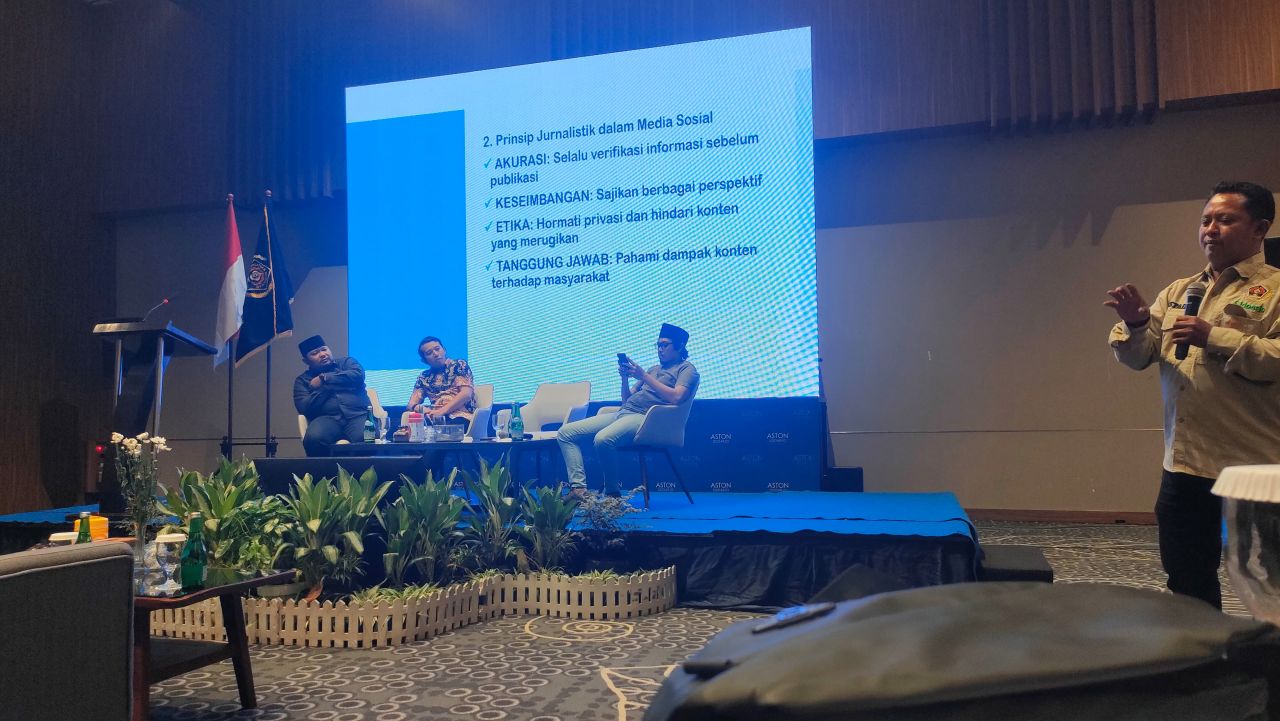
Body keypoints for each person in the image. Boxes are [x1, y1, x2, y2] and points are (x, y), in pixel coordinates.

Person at [1105, 181, 1279, 608]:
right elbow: (1138, 357)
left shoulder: (1276, 290)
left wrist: (1213, 337)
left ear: (1260, 228)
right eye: (1205, 220)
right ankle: (1204, 648)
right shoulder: (1179, 292)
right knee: (1186, 581)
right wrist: (1137, 325)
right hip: (1184, 466)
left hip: (1253, 467)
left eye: (1225, 219)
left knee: (1267, 582)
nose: (1210, 229)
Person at [557, 323, 699, 497]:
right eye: (658, 345)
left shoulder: (686, 369)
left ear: (679, 346)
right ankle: (578, 489)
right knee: (565, 433)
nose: (660, 349)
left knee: (603, 439)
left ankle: (612, 494)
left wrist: (644, 376)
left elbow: (677, 397)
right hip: (624, 413)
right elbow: (626, 400)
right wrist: (624, 379)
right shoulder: (654, 369)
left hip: (647, 419)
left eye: (665, 345)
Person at [292, 335, 369, 457]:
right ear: (306, 361)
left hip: (358, 415)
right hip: (327, 419)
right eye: (315, 353)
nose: (322, 354)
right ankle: (326, 470)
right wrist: (327, 387)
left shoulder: (346, 363)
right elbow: (305, 407)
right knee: (314, 438)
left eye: (324, 349)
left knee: (366, 436)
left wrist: (325, 379)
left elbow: (358, 375)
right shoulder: (302, 381)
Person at [405, 336, 476, 426]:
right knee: (408, 428)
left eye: (437, 349)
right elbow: (411, 404)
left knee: (448, 428)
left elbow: (466, 394)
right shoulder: (424, 377)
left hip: (460, 416)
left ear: (444, 350)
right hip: (435, 418)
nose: (435, 354)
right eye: (429, 353)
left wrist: (441, 411)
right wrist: (423, 410)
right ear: (424, 360)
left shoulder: (459, 365)